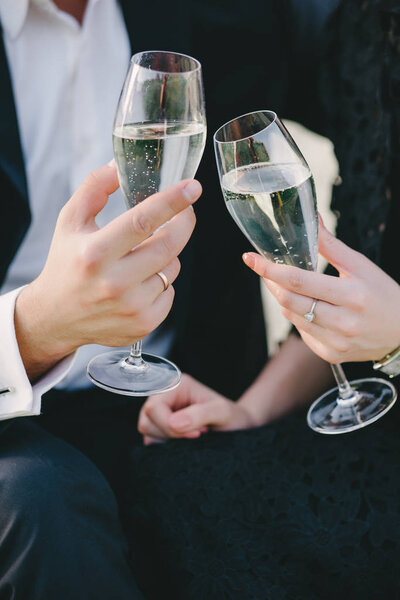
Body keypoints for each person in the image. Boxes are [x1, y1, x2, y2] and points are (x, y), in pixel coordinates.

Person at [0, 0, 273, 596]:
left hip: (173, 394)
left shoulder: (219, 18)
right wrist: (34, 331)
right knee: (40, 498)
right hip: (8, 422)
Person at [134, 1, 400, 598]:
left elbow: (387, 319)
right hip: (368, 407)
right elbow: (359, 277)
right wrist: (250, 411)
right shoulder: (363, 26)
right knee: (173, 485)